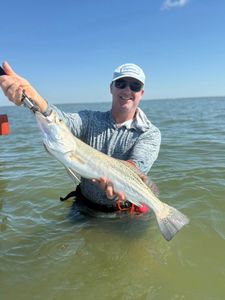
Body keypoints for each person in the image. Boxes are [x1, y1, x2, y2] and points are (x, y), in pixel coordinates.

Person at [0, 62, 161, 215]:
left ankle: (162, 212)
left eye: (135, 86)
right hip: (85, 208)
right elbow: (61, 120)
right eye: (121, 83)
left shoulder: (150, 133)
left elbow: (136, 168)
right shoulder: (88, 119)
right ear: (111, 88)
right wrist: (32, 95)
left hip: (124, 214)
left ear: (142, 93)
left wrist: (116, 180)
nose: (127, 90)